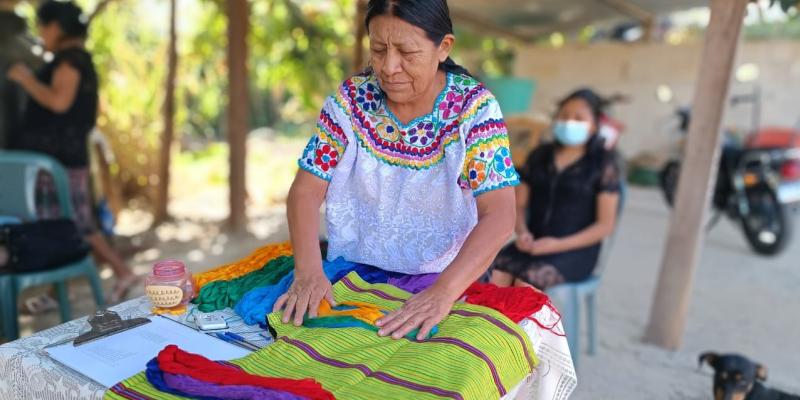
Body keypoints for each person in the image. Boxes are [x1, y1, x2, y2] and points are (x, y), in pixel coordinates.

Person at [274, 0, 519, 340]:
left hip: (445, 275)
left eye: (406, 52)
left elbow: (500, 214)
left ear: (443, 47)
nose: (389, 67)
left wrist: (443, 293)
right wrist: (309, 272)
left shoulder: (474, 110)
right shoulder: (350, 102)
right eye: (378, 50)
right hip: (354, 271)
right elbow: (306, 190)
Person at [5, 1, 136, 304]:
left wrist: (25, 79)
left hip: (59, 160)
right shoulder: (77, 59)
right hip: (63, 156)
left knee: (75, 223)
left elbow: (59, 102)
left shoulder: (69, 61)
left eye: (42, 26)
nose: (40, 33)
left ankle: (122, 272)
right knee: (63, 223)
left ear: (56, 27)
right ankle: (57, 290)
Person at [490, 88, 621, 290]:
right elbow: (519, 204)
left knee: (527, 281)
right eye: (564, 116)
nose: (569, 122)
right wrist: (522, 232)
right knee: (495, 272)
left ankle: (522, 313)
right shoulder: (539, 156)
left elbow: (605, 225)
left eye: (579, 118)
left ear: (594, 125)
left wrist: (557, 245)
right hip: (531, 243)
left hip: (575, 251)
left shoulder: (602, 164)